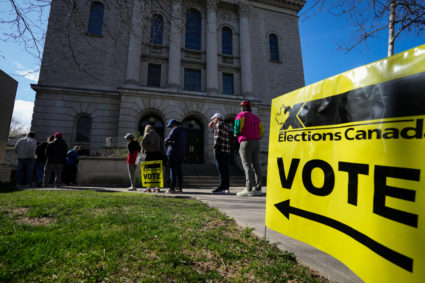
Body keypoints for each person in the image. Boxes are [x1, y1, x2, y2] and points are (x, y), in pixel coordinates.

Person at [234, 101, 264, 197]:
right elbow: (262, 131)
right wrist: (256, 137)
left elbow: (237, 127)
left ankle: (249, 188)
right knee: (256, 165)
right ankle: (258, 189)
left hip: (245, 142)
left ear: (243, 107)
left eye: (241, 106)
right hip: (256, 142)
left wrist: (236, 133)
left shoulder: (241, 115)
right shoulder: (256, 118)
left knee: (247, 164)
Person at [208, 113, 231, 194]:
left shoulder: (219, 124)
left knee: (220, 169)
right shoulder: (225, 125)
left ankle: (221, 187)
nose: (213, 121)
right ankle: (226, 187)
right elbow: (220, 133)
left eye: (213, 119)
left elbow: (218, 137)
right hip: (227, 150)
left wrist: (215, 146)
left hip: (220, 150)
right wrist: (212, 128)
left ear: (217, 118)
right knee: (225, 169)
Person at [164, 119, 187, 193]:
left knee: (172, 170)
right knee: (179, 170)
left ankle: (172, 188)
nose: (170, 127)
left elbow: (169, 138)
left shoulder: (175, 129)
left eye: (170, 126)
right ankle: (180, 187)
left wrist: (165, 140)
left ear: (173, 124)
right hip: (181, 153)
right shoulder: (184, 131)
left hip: (172, 152)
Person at [141, 125, 163, 192]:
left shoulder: (147, 134)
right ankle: (157, 187)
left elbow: (143, 144)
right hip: (157, 154)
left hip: (149, 154)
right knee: (157, 171)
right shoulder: (157, 135)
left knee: (148, 171)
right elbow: (162, 145)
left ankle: (148, 187)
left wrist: (148, 148)